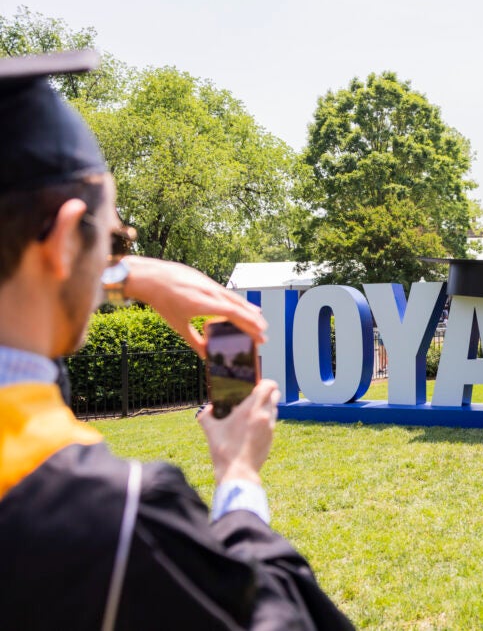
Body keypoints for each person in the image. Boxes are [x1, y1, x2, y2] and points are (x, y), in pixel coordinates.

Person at [0, 51, 354, 630]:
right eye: (112, 239)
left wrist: (122, 277)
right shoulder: (111, 521)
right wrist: (238, 470)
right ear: (64, 241)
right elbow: (278, 617)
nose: (116, 259)